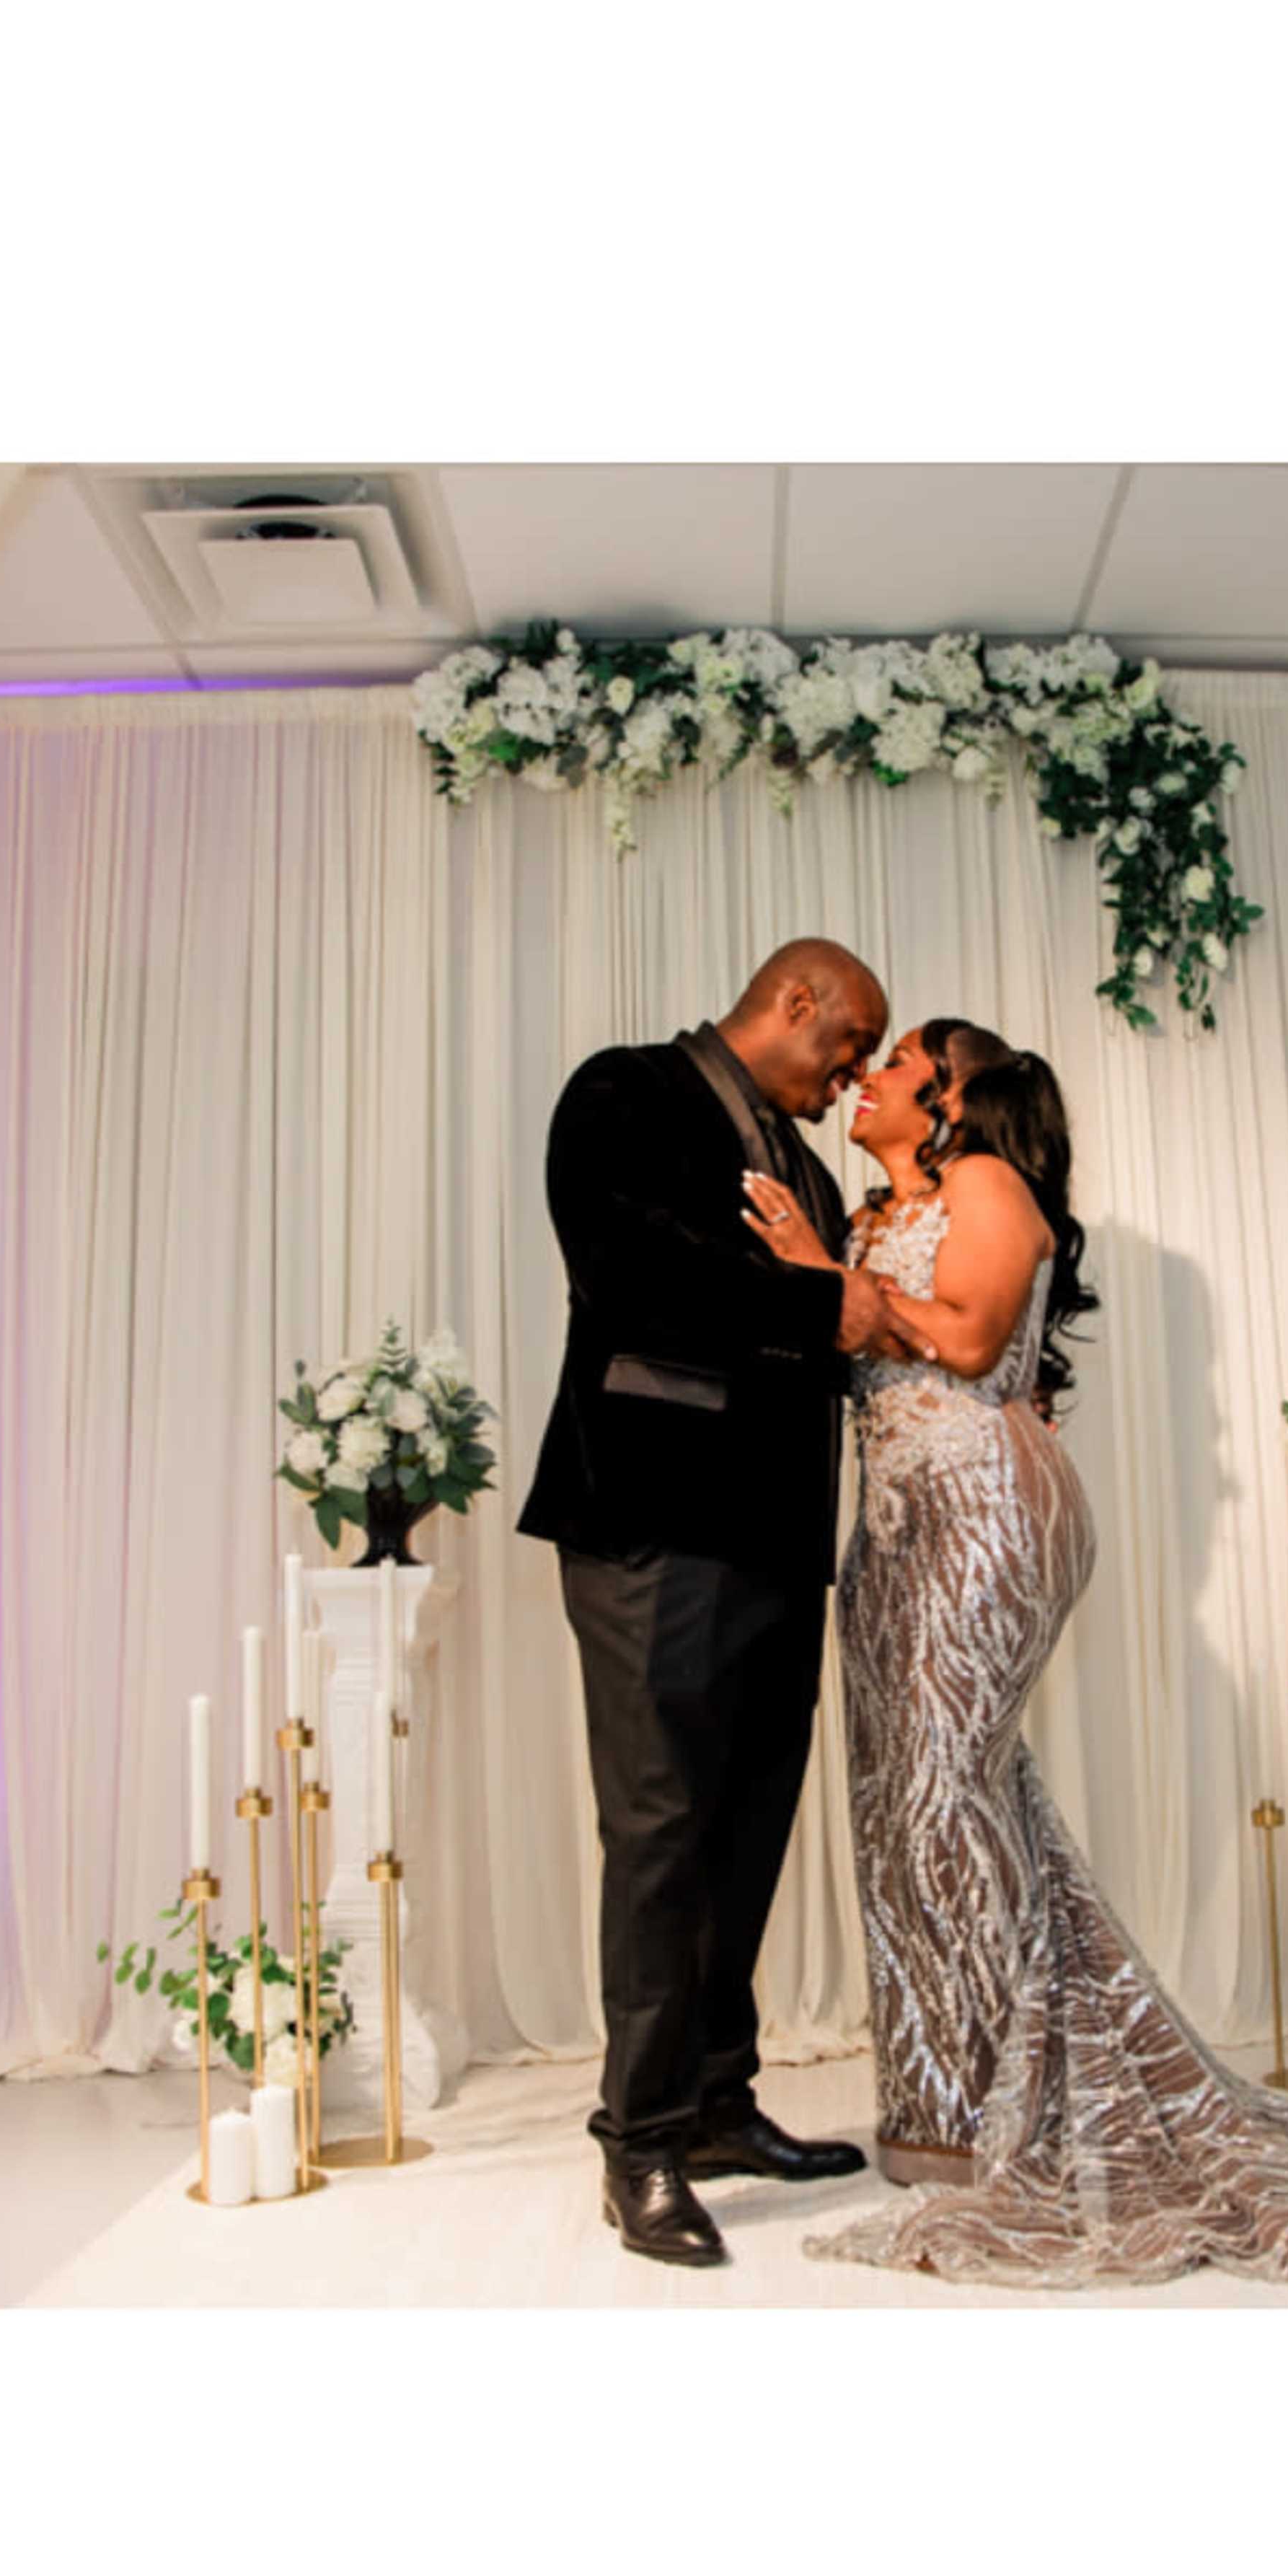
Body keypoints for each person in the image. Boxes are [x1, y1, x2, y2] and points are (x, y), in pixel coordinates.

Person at [744, 1018, 1288, 2290]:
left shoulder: (988, 1185)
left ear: (952, 1098)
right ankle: (942, 2110)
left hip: (985, 1513)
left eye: (897, 1063)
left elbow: (972, 1343)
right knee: (899, 1808)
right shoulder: (875, 1217)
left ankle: (1015, 2102)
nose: (866, 1078)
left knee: (942, 1791)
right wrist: (826, 1273)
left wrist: (820, 1277)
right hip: (890, 1528)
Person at [519, 941, 889, 2269]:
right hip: (653, 1527)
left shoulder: (812, 1178)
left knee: (747, 1830)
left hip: (778, 1543)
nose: (850, 1080)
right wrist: (818, 1297)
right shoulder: (622, 1092)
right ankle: (640, 2142)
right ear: (794, 1002)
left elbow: (837, 1344)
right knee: (662, 1830)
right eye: (847, 1046)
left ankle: (720, 2104)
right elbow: (638, 1277)